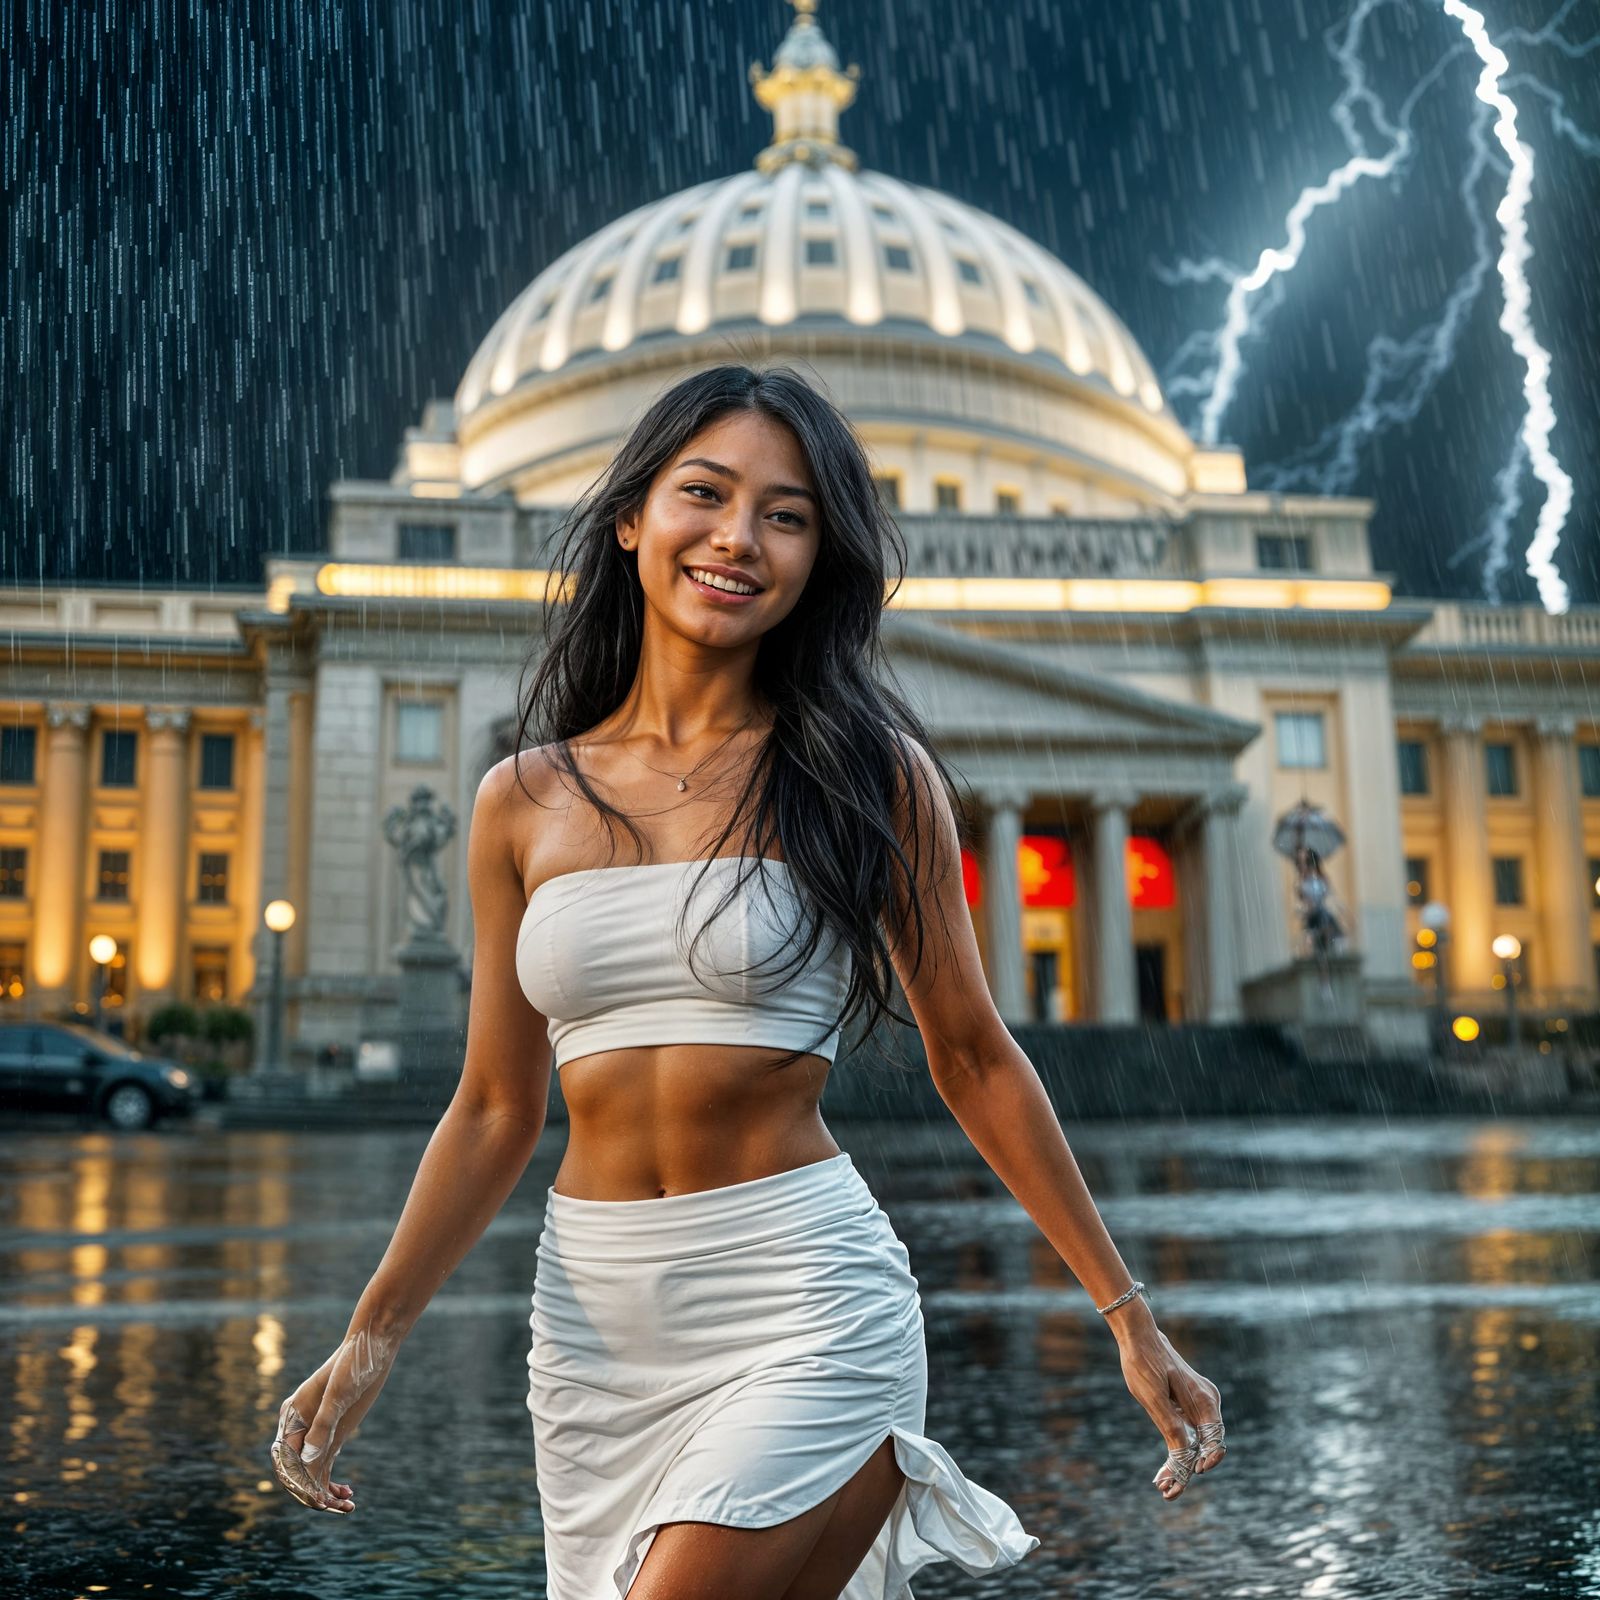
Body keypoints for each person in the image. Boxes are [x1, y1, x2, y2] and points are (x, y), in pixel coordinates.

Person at [269, 363, 1227, 1598]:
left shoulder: (869, 777)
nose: (737, 538)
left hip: (804, 1300)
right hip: (594, 1325)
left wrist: (1125, 1313)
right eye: (704, 494)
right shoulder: (522, 798)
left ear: (818, 557)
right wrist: (372, 1332)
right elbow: (495, 1107)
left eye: (786, 515)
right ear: (631, 517)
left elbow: (976, 1054)